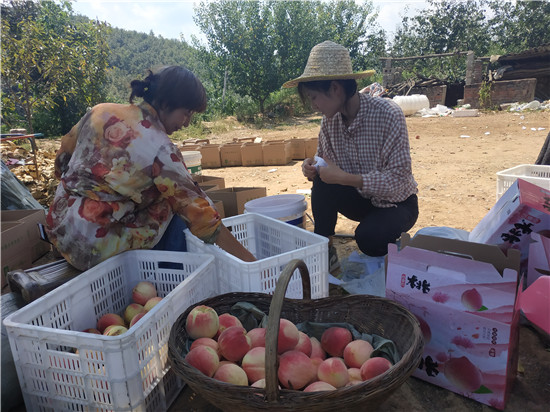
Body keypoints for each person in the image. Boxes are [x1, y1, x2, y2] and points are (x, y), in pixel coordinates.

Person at [46, 65, 255, 271]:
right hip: (92, 248)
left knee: (159, 191)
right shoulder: (161, 149)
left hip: (60, 227)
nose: (187, 123)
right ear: (165, 103)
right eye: (186, 113)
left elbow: (62, 161)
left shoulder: (100, 112)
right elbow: (204, 219)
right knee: (174, 203)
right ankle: (171, 273)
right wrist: (253, 264)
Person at [282, 41, 419, 271]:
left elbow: (398, 181)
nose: (314, 106)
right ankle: (324, 249)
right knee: (322, 182)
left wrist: (345, 177)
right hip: (362, 201)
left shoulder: (388, 114)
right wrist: (312, 167)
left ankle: (392, 241)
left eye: (314, 97)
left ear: (335, 88)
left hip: (397, 205)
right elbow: (323, 163)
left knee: (368, 239)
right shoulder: (329, 121)